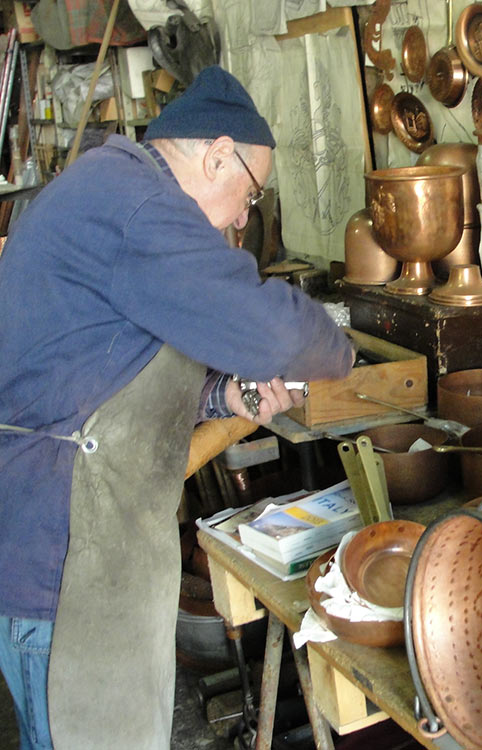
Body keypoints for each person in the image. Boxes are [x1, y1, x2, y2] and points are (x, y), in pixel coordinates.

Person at [0, 66, 355, 749]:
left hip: (74, 559)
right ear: (217, 155)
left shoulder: (113, 189)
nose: (245, 218)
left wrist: (225, 393)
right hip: (63, 570)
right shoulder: (136, 203)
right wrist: (338, 353)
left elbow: (108, 367)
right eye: (250, 193)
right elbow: (274, 330)